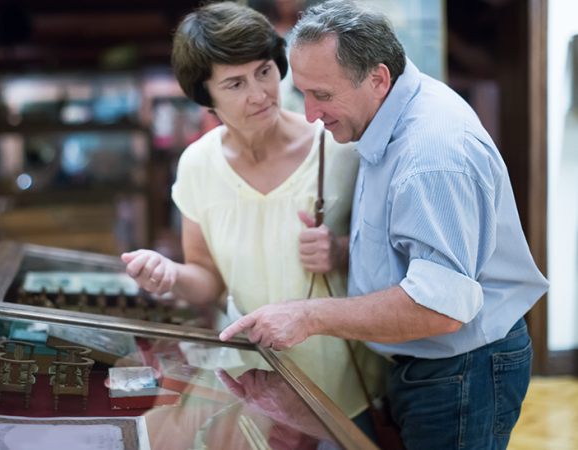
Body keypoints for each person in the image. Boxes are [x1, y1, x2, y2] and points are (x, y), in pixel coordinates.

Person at [219, 1, 551, 449]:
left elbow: (440, 307)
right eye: (304, 94)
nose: (311, 114)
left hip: (461, 371)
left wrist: (307, 315)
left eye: (323, 95)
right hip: (429, 365)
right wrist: (343, 251)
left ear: (378, 78)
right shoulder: (388, 109)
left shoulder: (432, 155)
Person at [121, 1, 385, 433]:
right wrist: (170, 274)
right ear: (206, 95)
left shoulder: (339, 146)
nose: (259, 93)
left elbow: (395, 261)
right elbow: (207, 279)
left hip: (344, 383)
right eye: (235, 83)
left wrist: (339, 252)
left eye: (265, 71)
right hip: (253, 384)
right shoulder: (197, 166)